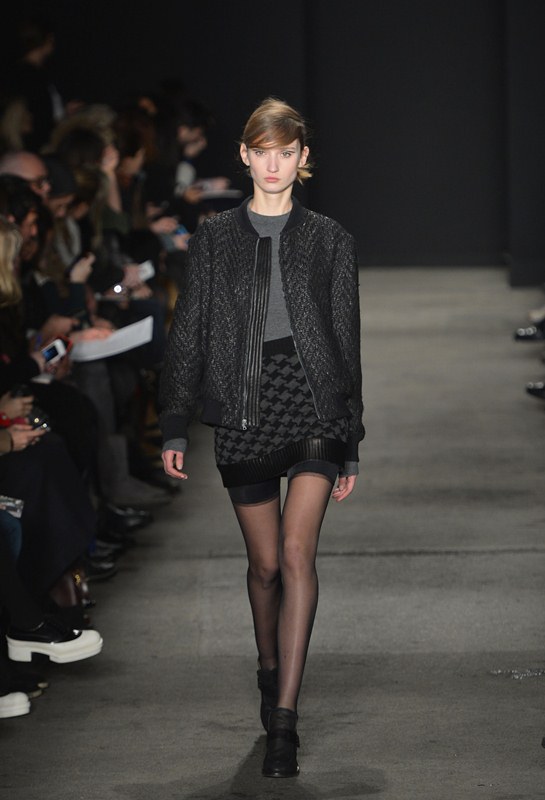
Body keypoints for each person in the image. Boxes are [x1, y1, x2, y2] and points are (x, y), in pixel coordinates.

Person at [160, 98, 364, 779]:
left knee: (299, 554)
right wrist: (172, 420)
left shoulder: (331, 239)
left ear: (303, 158)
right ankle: (268, 662)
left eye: (287, 152)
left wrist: (350, 436)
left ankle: (284, 720)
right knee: (267, 565)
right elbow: (189, 331)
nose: (274, 164)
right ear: (244, 155)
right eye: (263, 151)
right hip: (244, 408)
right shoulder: (213, 238)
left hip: (314, 406)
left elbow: (345, 340)